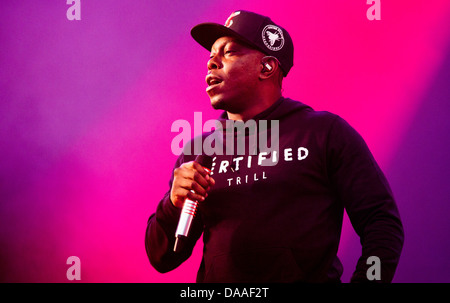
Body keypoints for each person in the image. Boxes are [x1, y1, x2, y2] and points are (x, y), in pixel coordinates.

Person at [145, 10, 404, 283]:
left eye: (229, 52)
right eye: (211, 55)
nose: (212, 63)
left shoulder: (324, 133)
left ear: (266, 67)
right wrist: (173, 204)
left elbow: (381, 223)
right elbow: (162, 258)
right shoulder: (200, 151)